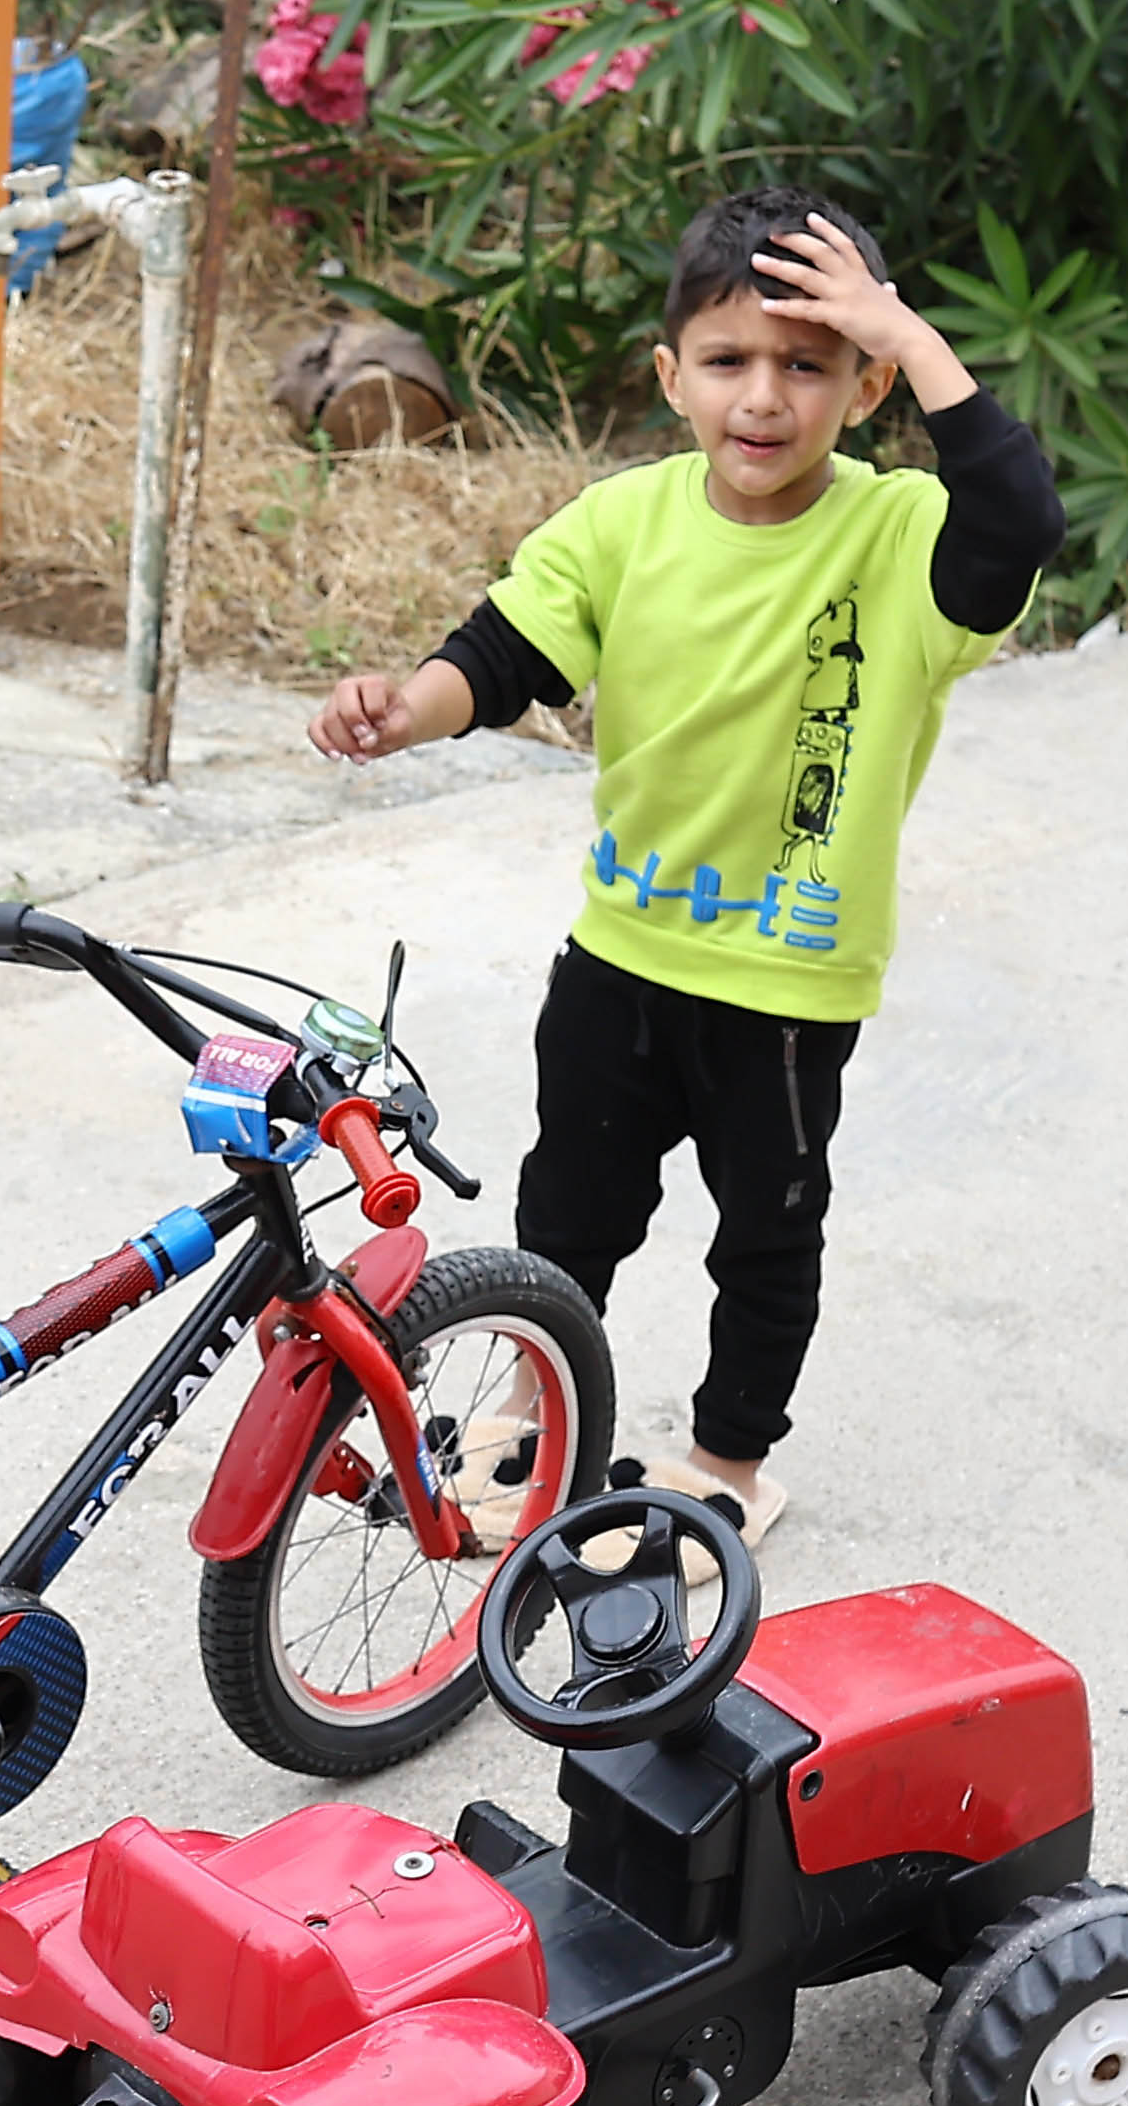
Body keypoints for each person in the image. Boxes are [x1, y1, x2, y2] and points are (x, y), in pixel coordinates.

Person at [309, 189, 1063, 1542]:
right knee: (565, 1215)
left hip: (785, 982)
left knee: (762, 1240)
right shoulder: (620, 524)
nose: (763, 398)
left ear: (867, 382)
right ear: (670, 377)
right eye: (726, 361)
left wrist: (906, 325)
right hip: (620, 955)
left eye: (809, 361)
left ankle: (727, 1461)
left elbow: (1014, 522)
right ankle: (538, 1413)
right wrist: (403, 709)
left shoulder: (898, 536)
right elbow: (502, 657)